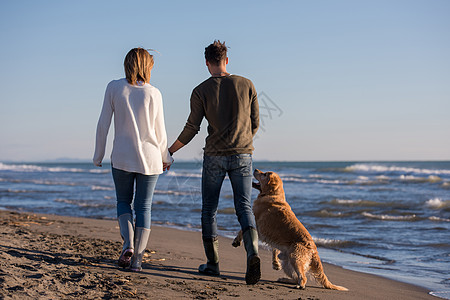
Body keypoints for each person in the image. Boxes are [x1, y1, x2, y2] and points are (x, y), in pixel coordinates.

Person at [168, 40, 260, 285]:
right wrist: (241, 141)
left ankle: (213, 264)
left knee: (210, 210)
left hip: (214, 157)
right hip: (243, 154)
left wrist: (170, 151)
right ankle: (253, 254)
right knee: (244, 207)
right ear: (226, 60)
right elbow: (255, 123)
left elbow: (192, 128)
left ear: (207, 63)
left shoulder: (200, 90)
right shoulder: (247, 84)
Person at [93, 48, 173, 272]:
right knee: (144, 207)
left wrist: (98, 154)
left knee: (123, 202)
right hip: (150, 159)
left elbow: (103, 124)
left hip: (121, 157)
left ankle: (127, 244)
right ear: (147, 67)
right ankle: (137, 260)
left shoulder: (114, 87)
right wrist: (166, 157)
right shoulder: (154, 93)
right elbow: (160, 132)